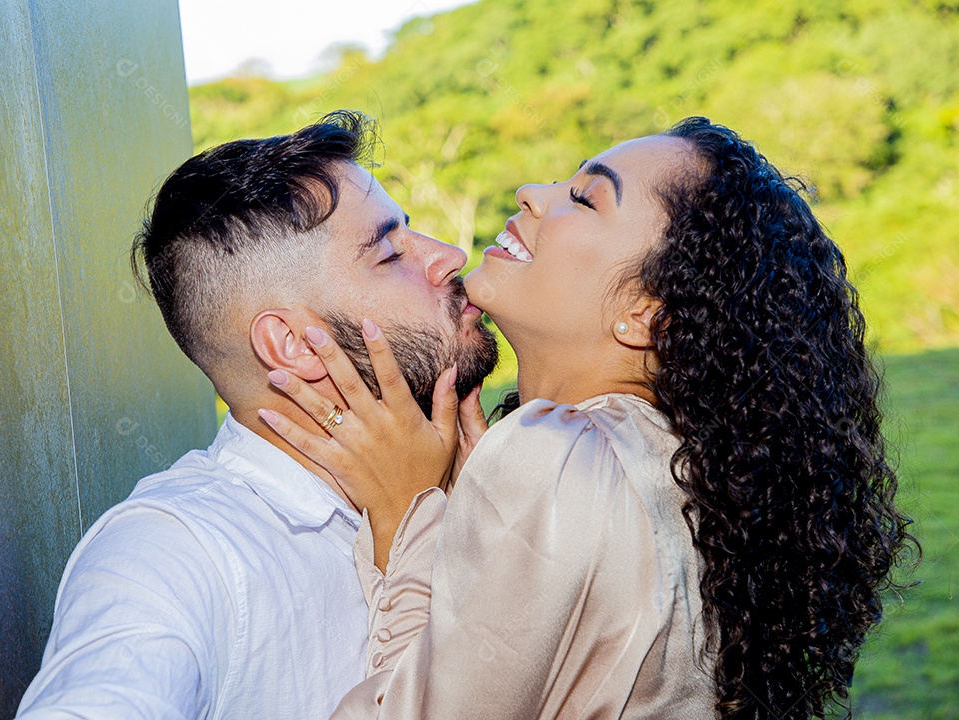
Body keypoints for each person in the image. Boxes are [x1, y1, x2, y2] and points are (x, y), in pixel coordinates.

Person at [262, 117, 916, 719]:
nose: (530, 193)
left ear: (646, 315)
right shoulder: (686, 471)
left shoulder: (553, 456)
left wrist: (406, 518)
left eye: (584, 198)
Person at [15, 111, 498, 719]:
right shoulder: (176, 550)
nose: (450, 256)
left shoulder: (468, 486)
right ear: (294, 345)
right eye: (388, 252)